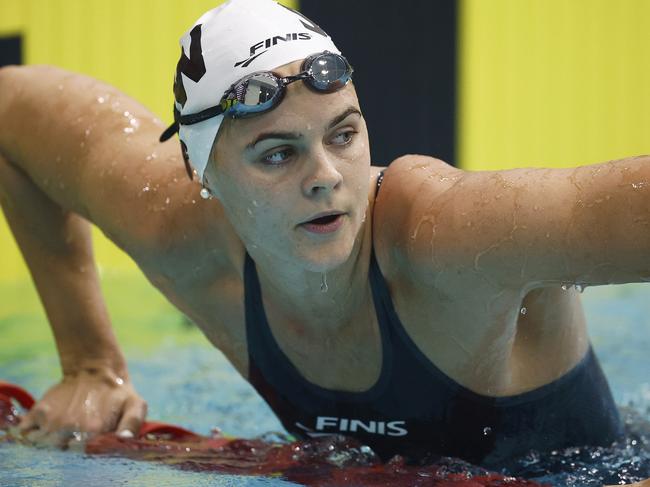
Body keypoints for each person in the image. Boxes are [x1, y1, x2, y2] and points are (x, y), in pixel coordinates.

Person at [0, 0, 647, 469]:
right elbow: (9, 109)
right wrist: (90, 363)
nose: (327, 177)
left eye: (343, 134)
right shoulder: (173, 227)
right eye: (277, 154)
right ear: (202, 170)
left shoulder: (443, 234)